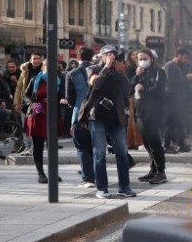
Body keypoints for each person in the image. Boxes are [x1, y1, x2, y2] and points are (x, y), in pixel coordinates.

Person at [83, 46, 134, 198]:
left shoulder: (118, 72)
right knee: (99, 153)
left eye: (114, 55)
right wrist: (106, 68)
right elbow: (96, 84)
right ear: (102, 56)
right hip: (97, 116)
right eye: (109, 55)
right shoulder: (94, 69)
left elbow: (127, 90)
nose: (112, 57)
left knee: (122, 153)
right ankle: (102, 188)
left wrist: (121, 72)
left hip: (116, 117)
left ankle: (124, 187)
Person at [132, 49, 168, 184]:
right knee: (147, 144)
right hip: (140, 111)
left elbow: (159, 90)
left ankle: (161, 171)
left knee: (154, 143)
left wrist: (144, 90)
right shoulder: (140, 73)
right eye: (139, 59)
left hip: (153, 112)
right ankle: (153, 170)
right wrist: (136, 76)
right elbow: (131, 89)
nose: (142, 61)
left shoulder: (159, 72)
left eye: (144, 58)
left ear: (151, 58)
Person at [23, 61, 62, 184]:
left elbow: (62, 96)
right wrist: (32, 103)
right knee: (38, 145)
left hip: (52, 115)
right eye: (48, 66)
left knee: (52, 146)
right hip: (38, 115)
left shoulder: (58, 80)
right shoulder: (36, 79)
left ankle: (53, 173)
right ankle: (41, 173)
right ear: (43, 67)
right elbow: (26, 95)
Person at [65, 48, 96, 186]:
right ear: (92, 57)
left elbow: (70, 99)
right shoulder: (100, 71)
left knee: (82, 147)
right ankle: (98, 175)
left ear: (78, 57)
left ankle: (88, 178)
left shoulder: (72, 73)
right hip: (98, 113)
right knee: (96, 146)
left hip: (79, 113)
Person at [164, 48, 192, 153]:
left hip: (180, 98)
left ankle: (181, 144)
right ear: (178, 55)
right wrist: (186, 78)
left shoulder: (180, 67)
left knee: (180, 122)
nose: (186, 60)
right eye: (185, 57)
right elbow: (170, 81)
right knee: (171, 122)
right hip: (171, 98)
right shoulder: (170, 65)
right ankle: (167, 145)